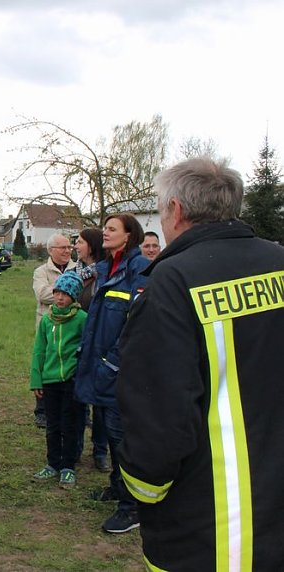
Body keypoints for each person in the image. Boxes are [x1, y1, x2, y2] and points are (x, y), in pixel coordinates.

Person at [116, 158, 284, 570]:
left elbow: (160, 411)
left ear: (175, 210)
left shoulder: (171, 282)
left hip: (211, 526)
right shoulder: (279, 261)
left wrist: (144, 489)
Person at [74, 213, 149, 534]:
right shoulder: (107, 269)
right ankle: (117, 487)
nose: (104, 232)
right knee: (107, 427)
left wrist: (112, 364)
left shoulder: (141, 271)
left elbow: (137, 327)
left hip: (119, 372)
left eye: (112, 229)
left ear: (129, 236)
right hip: (100, 369)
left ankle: (132, 507)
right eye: (104, 228)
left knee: (122, 440)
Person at [30, 272, 87, 488]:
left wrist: (80, 375)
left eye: (65, 293)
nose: (60, 297)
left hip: (72, 381)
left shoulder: (83, 319)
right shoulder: (47, 320)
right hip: (50, 380)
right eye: (57, 292)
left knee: (70, 424)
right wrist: (37, 380)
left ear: (73, 296)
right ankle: (52, 463)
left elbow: (87, 349)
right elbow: (39, 351)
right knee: (52, 424)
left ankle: (68, 467)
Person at [72, 228, 110, 473]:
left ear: (92, 245)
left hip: (99, 341)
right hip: (76, 341)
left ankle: (100, 451)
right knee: (76, 398)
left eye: (81, 242)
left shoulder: (104, 271)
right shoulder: (74, 271)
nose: (76, 245)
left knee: (101, 401)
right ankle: (74, 449)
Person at [32, 234, 77, 428]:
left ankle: (75, 407)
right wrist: (69, 290)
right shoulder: (41, 271)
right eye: (62, 248)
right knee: (46, 364)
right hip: (48, 325)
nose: (67, 251)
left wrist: (57, 291)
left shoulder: (78, 268)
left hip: (72, 325)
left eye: (69, 247)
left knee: (72, 364)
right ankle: (42, 409)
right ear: (51, 250)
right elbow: (42, 294)